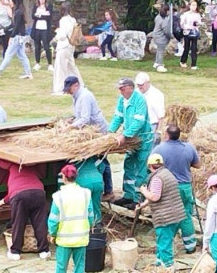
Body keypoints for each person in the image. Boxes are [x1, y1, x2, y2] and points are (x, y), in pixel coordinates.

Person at [62, 75, 113, 203]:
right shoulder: (77, 97)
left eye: (70, 88)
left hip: (98, 132)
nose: (68, 92)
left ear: (76, 85)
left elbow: (85, 118)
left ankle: (108, 190)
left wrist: (71, 127)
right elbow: (79, 116)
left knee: (101, 159)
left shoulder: (84, 96)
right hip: (90, 131)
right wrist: (72, 120)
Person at [48, 165, 94, 273]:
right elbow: (91, 214)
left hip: (64, 239)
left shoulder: (58, 197)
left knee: (61, 266)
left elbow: (53, 219)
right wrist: (90, 226)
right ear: (76, 176)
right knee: (79, 265)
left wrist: (52, 233)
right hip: (81, 237)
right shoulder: (86, 193)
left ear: (63, 177)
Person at [153, 125, 202, 253]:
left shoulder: (159, 149)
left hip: (168, 187)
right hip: (185, 186)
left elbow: (152, 165)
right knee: (186, 215)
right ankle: (190, 246)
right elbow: (197, 164)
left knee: (169, 217)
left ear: (167, 135)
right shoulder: (189, 147)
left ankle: (167, 246)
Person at [109, 77, 153, 208]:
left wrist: (124, 135)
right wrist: (110, 132)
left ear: (130, 88)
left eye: (122, 88)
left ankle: (138, 198)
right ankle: (128, 195)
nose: (120, 91)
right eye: (119, 89)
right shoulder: (122, 100)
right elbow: (118, 117)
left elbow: (138, 122)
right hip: (131, 141)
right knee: (128, 165)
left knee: (141, 169)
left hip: (142, 139)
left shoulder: (139, 100)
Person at [0, 159, 50, 260]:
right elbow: (42, 172)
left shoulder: (11, 163)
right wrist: (4, 200)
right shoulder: (32, 163)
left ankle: (15, 251)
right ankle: (44, 251)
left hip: (19, 195)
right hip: (38, 192)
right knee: (40, 223)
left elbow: (1, 162)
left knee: (18, 223)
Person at [138, 154, 186, 268]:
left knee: (165, 244)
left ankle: (168, 268)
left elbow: (155, 197)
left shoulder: (157, 178)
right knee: (163, 241)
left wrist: (143, 190)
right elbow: (161, 194)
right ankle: (159, 263)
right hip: (176, 215)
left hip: (166, 217)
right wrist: (143, 205)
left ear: (150, 165)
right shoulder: (167, 173)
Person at [0, 0, 33, 79]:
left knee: (8, 54)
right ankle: (28, 73)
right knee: (22, 55)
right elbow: (12, 25)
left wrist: (11, 37)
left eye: (10, 0)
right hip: (20, 37)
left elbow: (16, 27)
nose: (9, 2)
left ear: (14, 2)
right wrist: (4, 30)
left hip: (17, 37)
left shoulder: (18, 12)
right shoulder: (17, 11)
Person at [52, 1, 84, 95]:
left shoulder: (63, 20)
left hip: (64, 46)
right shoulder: (73, 20)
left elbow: (62, 35)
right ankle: (80, 85)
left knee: (60, 68)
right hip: (71, 46)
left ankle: (59, 89)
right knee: (71, 67)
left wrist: (56, 35)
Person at [134, 72, 165, 146]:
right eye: (138, 85)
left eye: (141, 85)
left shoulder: (156, 95)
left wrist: (158, 132)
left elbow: (161, 116)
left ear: (148, 83)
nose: (139, 87)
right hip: (137, 125)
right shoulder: (136, 92)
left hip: (151, 127)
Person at [31, 0, 54, 71]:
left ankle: (50, 64)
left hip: (45, 30)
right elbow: (33, 16)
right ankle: (37, 63)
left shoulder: (49, 6)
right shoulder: (35, 6)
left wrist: (40, 15)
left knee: (47, 47)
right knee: (37, 46)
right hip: (37, 29)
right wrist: (43, 15)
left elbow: (49, 17)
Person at [179, 0, 203, 70]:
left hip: (194, 33)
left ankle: (194, 64)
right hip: (187, 32)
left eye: (195, 5)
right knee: (186, 47)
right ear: (189, 6)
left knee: (194, 48)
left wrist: (198, 24)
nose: (194, 7)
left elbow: (199, 23)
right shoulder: (185, 14)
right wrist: (188, 27)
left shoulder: (197, 14)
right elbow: (182, 24)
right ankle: (183, 61)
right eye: (192, 5)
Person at [151, 5, 172, 73]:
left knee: (159, 50)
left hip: (155, 35)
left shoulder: (158, 17)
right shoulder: (165, 20)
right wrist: (171, 36)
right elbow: (166, 31)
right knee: (161, 51)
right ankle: (160, 66)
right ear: (167, 11)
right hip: (161, 37)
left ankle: (156, 62)